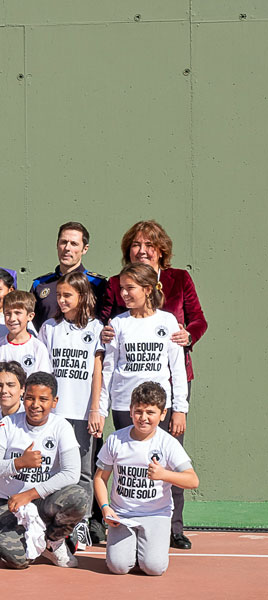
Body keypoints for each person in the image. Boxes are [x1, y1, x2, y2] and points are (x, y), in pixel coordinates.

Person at [99, 220, 206, 550]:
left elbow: (198, 319)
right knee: (125, 460)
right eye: (135, 244)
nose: (141, 250)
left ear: (162, 250)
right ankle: (119, 521)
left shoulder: (179, 281)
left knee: (169, 459)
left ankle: (172, 527)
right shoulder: (117, 288)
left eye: (149, 244)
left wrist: (190, 335)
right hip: (125, 394)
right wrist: (103, 332)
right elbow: (105, 323)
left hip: (167, 390)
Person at [94, 382, 199, 575]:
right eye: (138, 411)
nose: (143, 418)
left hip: (156, 514)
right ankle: (129, 549)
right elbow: (100, 478)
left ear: (162, 414)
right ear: (131, 411)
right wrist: (105, 508)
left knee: (154, 568)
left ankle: (144, 547)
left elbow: (192, 480)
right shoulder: (116, 440)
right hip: (122, 516)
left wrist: (164, 474)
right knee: (117, 567)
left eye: (150, 412)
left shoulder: (168, 443)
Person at [0, 372, 87, 569]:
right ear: (23, 396)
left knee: (78, 496)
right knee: (18, 561)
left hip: (44, 503)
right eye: (30, 398)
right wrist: (19, 463)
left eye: (43, 399)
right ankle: (1, 534)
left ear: (54, 401)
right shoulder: (6, 425)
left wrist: (30, 494)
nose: (35, 405)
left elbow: (72, 473)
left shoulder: (62, 427)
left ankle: (53, 541)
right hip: (10, 504)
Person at [38, 272, 105, 549]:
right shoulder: (49, 328)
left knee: (84, 472)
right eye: (59, 295)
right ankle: (49, 521)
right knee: (53, 467)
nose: (62, 300)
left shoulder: (97, 328)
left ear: (82, 296)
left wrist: (95, 409)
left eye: (68, 295)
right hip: (55, 413)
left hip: (82, 412)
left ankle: (81, 522)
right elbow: (43, 371)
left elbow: (97, 371)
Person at [30, 222, 107, 330]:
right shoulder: (40, 284)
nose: (67, 248)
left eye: (74, 244)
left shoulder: (96, 283)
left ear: (85, 249)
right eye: (63, 242)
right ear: (57, 245)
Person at [0, 291, 52, 377]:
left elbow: (43, 381)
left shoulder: (38, 348)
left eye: (17, 313)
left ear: (30, 316)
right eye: (8, 313)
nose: (12, 318)